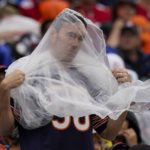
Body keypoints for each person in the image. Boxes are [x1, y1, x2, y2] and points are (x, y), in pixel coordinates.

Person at [0, 9, 141, 150]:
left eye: (80, 38)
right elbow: (4, 128)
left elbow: (109, 133)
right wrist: (4, 89)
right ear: (53, 35)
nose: (75, 43)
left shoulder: (89, 76)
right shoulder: (29, 72)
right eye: (71, 35)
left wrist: (126, 92)